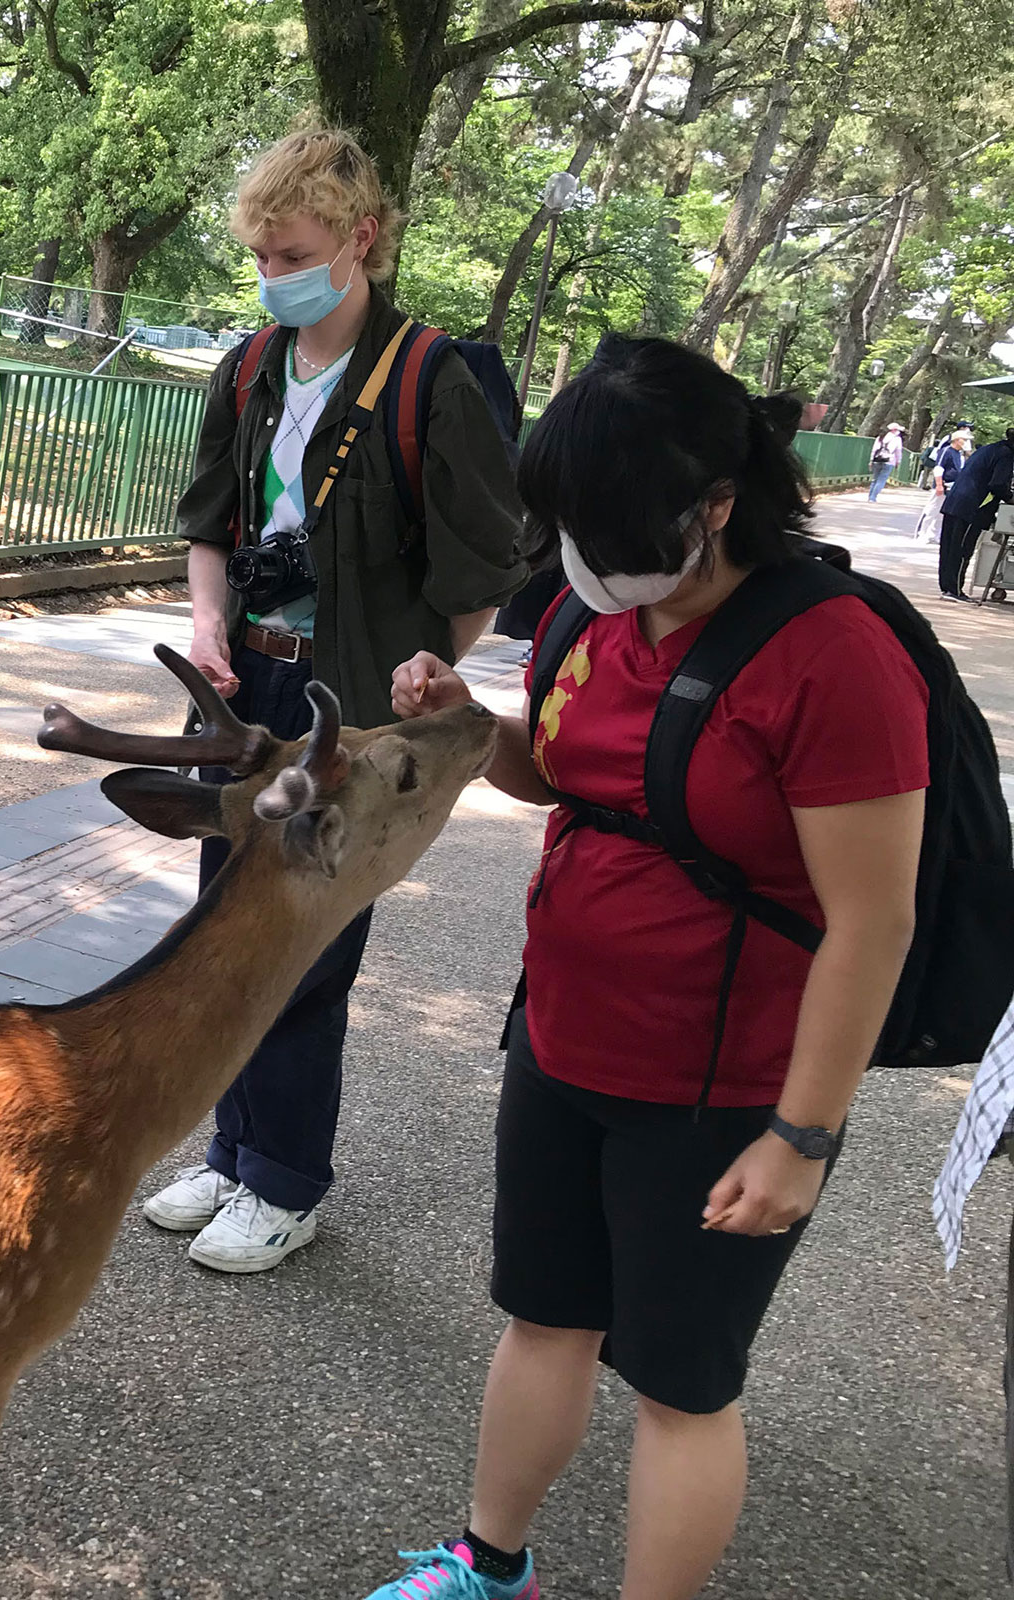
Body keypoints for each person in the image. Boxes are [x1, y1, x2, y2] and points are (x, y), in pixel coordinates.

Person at [367, 334, 926, 1600]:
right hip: (565, 1037)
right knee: (542, 1318)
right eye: (561, 525)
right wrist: (467, 722)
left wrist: (803, 1135)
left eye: (600, 528)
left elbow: (871, 921)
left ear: (713, 508)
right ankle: (487, 1562)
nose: (572, 558)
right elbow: (562, 774)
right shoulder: (590, 606)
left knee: (679, 1382)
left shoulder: (834, 655)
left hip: (723, 1087)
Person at [145, 124, 525, 1272]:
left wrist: (421, 668)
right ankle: (232, 1144)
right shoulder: (253, 367)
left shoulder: (432, 380)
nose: (274, 277)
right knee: (229, 922)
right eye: (260, 257)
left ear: (362, 239)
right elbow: (211, 527)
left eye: (293, 252)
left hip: (350, 698)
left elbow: (479, 577)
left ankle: (287, 1176)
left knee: (310, 938)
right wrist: (210, 626)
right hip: (242, 689)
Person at [938, 422, 1014, 599]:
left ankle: (947, 586)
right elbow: (998, 484)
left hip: (956, 501)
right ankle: (955, 589)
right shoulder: (1007, 455)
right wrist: (1011, 498)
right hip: (973, 507)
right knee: (963, 549)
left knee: (949, 547)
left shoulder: (990, 449)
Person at [865, 420, 902, 500]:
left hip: (877, 459)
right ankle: (873, 497)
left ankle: (870, 496)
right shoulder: (897, 439)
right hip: (889, 460)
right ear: (894, 430)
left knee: (875, 479)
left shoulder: (880, 437)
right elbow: (898, 451)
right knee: (881, 479)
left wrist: (871, 460)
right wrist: (898, 461)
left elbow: (874, 450)